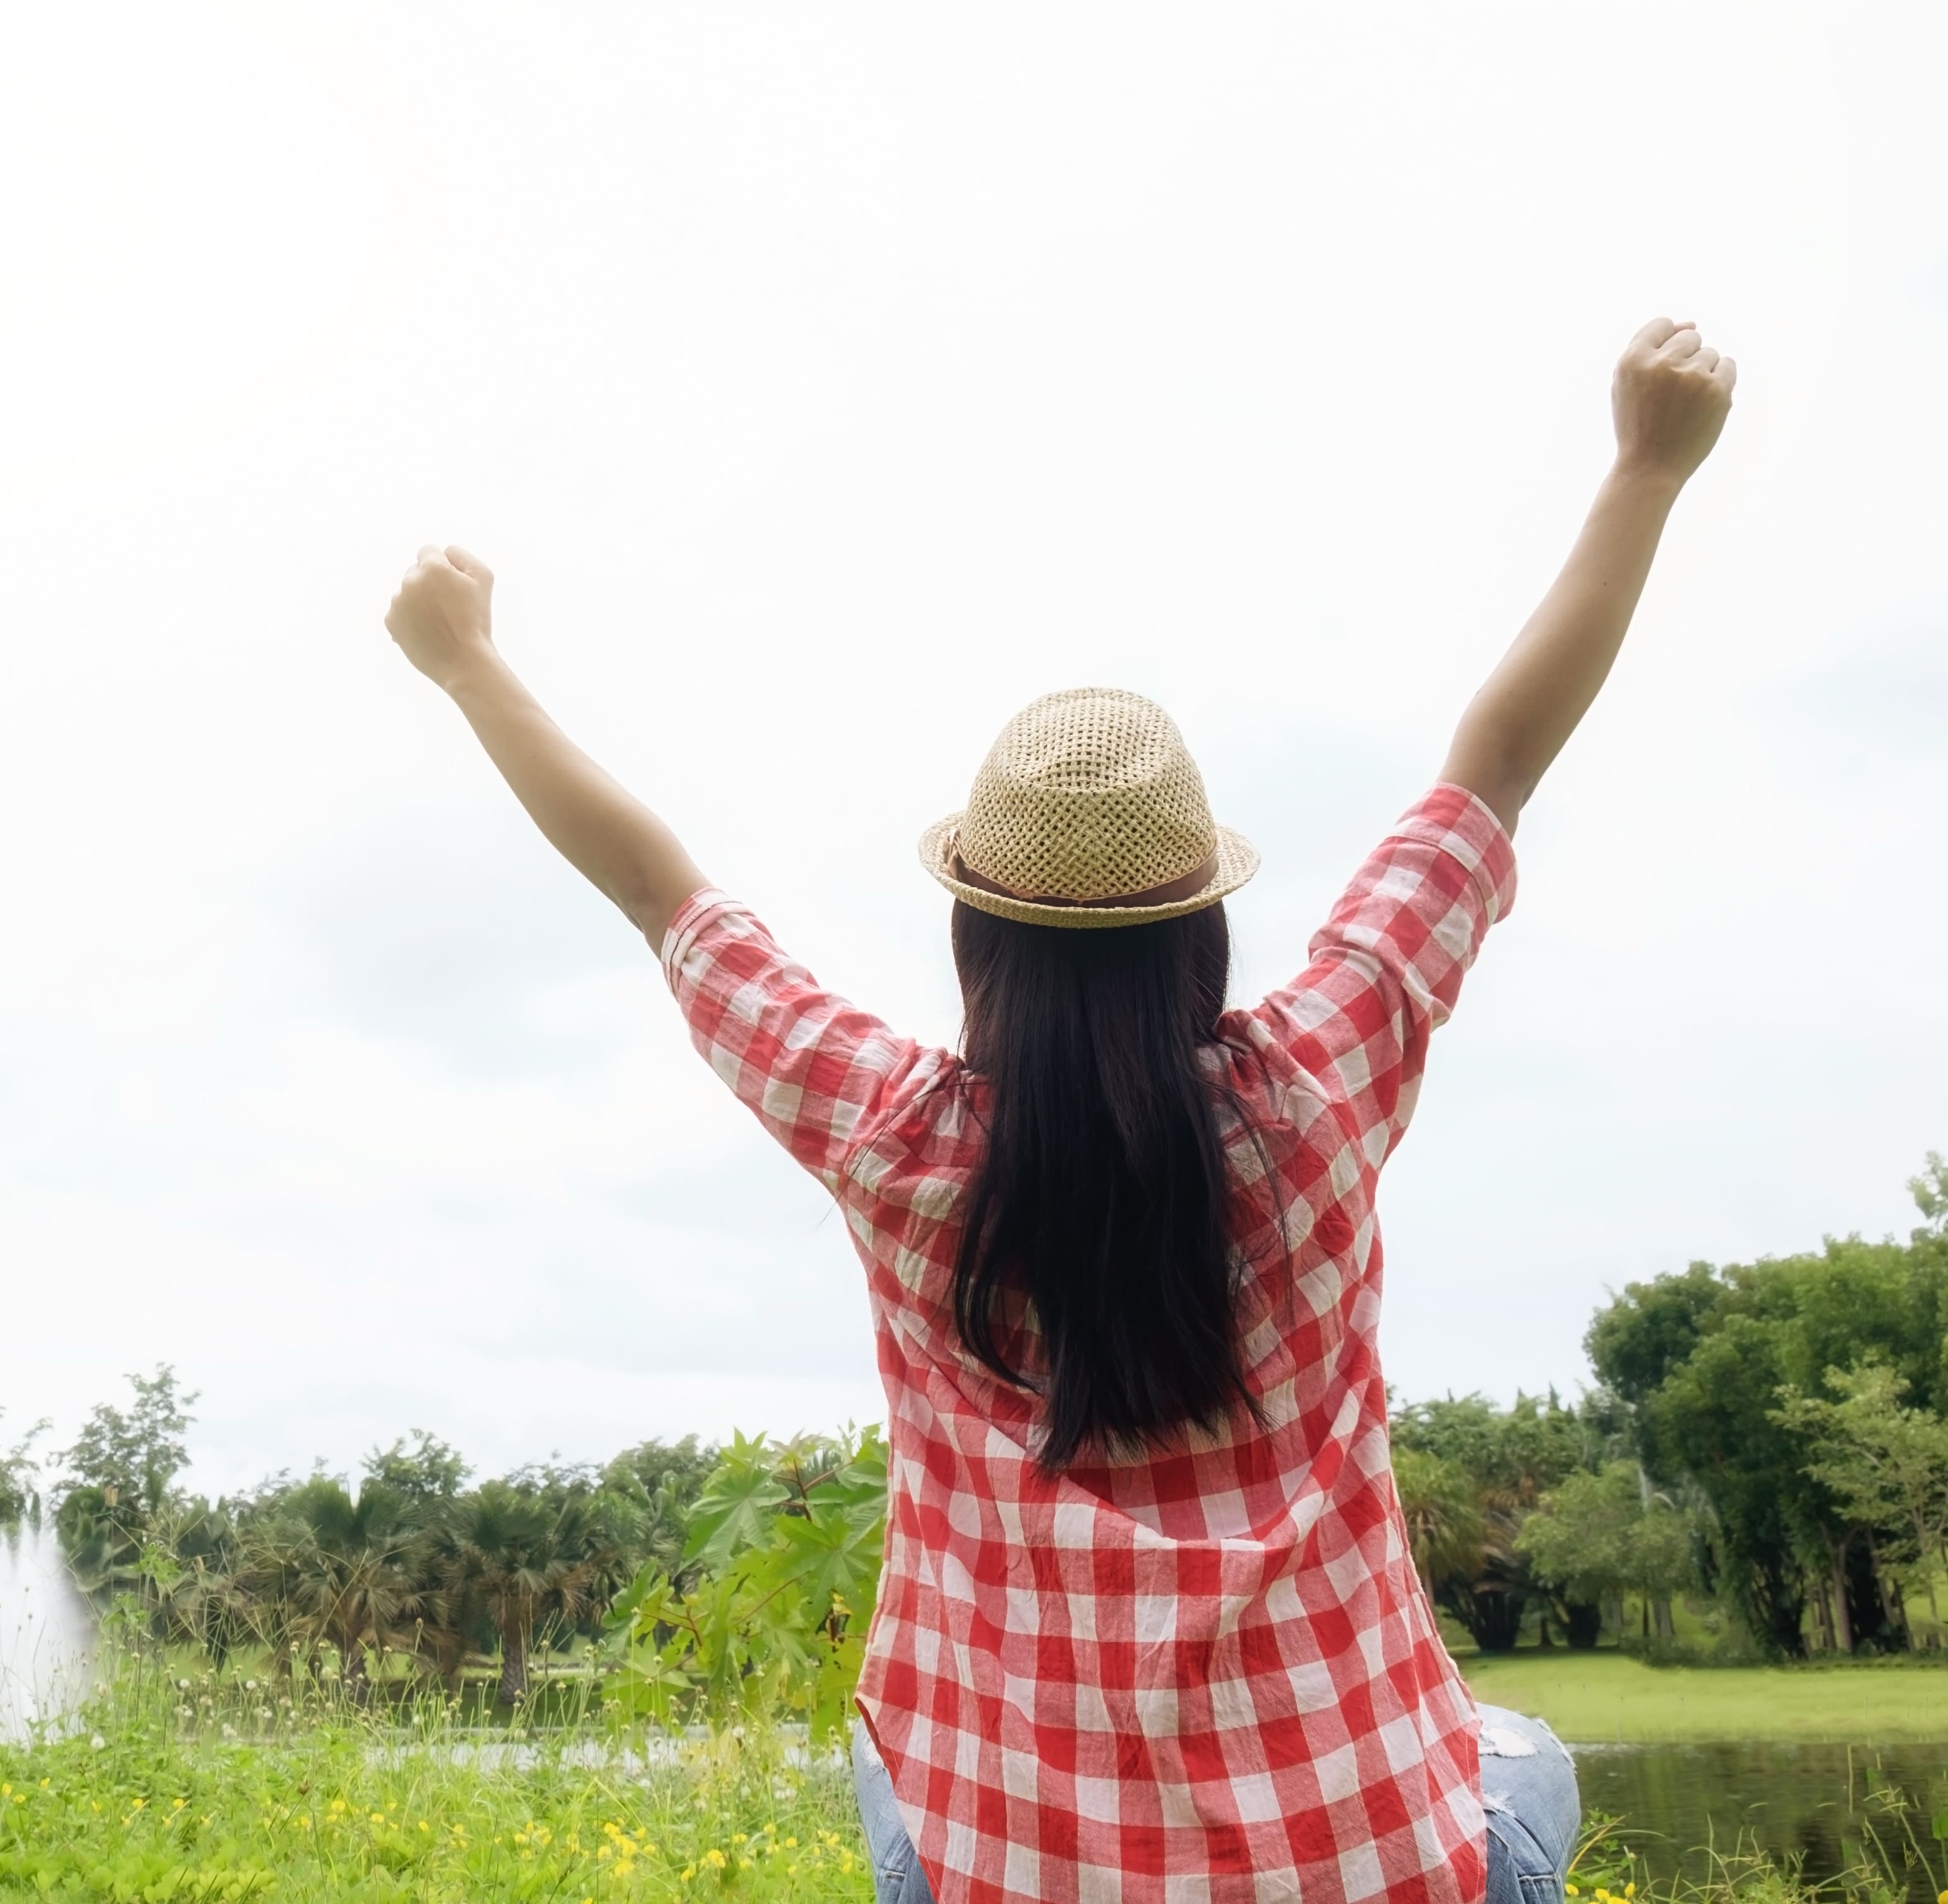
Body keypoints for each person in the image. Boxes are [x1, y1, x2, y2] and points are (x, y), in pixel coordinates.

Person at [380, 317, 1735, 1904]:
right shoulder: (1319, 1084)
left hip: (1014, 1875)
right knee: (1523, 1758)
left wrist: (470, 662)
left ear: (976, 940)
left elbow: (659, 891)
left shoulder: (897, 1141)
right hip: (1372, 1868)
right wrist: (1648, 470)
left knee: (895, 1761)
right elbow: (1490, 771)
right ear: (1203, 927)